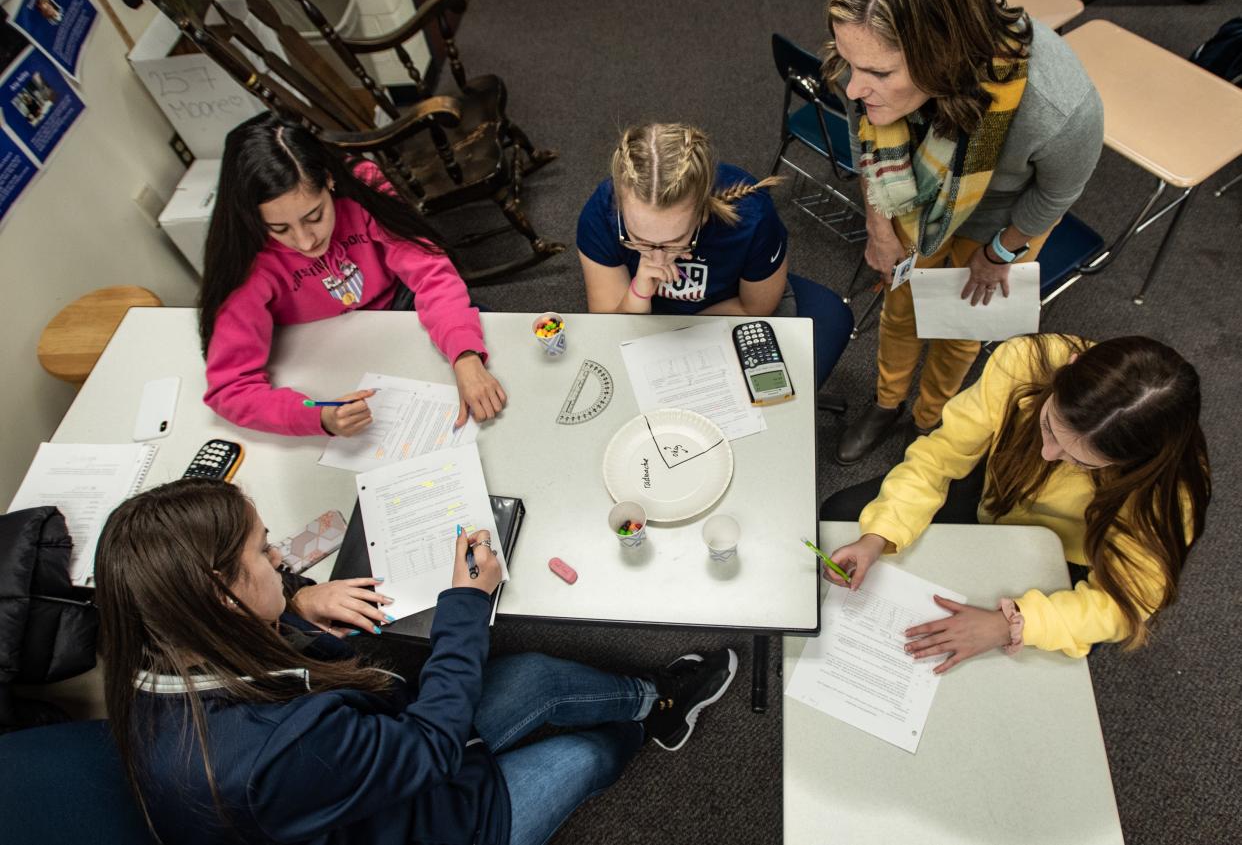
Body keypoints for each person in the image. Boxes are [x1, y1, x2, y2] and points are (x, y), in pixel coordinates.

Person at [94, 478, 738, 845]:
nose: (284, 562)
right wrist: (464, 605)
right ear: (220, 593)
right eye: (266, 556)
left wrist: (293, 608)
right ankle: (638, 729)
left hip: (366, 767)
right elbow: (429, 748)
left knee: (538, 675)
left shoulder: (155, 646)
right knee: (590, 755)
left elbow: (332, 718)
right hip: (414, 820)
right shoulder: (277, 753)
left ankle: (657, 701)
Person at [819, 334, 1211, 671]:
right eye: (1047, 426)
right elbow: (939, 455)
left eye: (1081, 462)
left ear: (1136, 462)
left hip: (1069, 552)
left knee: (1030, 661)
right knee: (844, 515)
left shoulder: (1171, 493)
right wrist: (879, 534)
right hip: (996, 492)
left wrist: (1013, 623)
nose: (1048, 453)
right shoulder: (1024, 362)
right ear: (1069, 367)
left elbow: (1127, 601)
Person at [822, 0, 1104, 463]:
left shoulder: (1059, 106)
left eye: (880, 75)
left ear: (946, 54)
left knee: (962, 327)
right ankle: (887, 404)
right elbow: (862, 136)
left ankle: (929, 419)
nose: (854, 88)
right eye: (851, 66)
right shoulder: (861, 46)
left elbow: (1056, 194)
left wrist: (999, 254)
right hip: (914, 193)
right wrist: (878, 223)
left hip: (1005, 217)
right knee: (902, 307)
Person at [200, 112, 507, 437]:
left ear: (330, 181)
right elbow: (229, 388)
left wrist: (464, 354)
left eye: (314, 215)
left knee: (498, 360)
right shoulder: (247, 255)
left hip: (401, 307)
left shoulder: (364, 184)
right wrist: (316, 418)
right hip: (321, 351)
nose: (305, 241)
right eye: (279, 228)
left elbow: (431, 273)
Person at [576, 122, 852, 390]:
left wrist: (678, 339)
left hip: (730, 315)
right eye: (639, 241)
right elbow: (610, 326)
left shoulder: (751, 215)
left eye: (675, 242)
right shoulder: (601, 213)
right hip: (649, 321)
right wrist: (638, 292)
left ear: (704, 212)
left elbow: (753, 308)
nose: (658, 260)